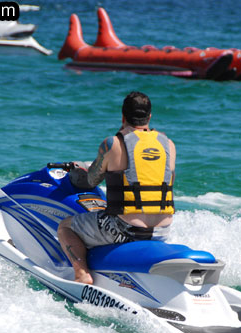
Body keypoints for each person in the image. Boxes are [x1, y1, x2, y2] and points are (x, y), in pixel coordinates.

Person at [58, 91, 176, 284]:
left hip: (126, 230)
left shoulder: (113, 144)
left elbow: (91, 181)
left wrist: (78, 171)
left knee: (65, 226)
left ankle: (81, 274)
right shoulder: (168, 145)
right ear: (150, 117)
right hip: (162, 230)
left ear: (123, 116)